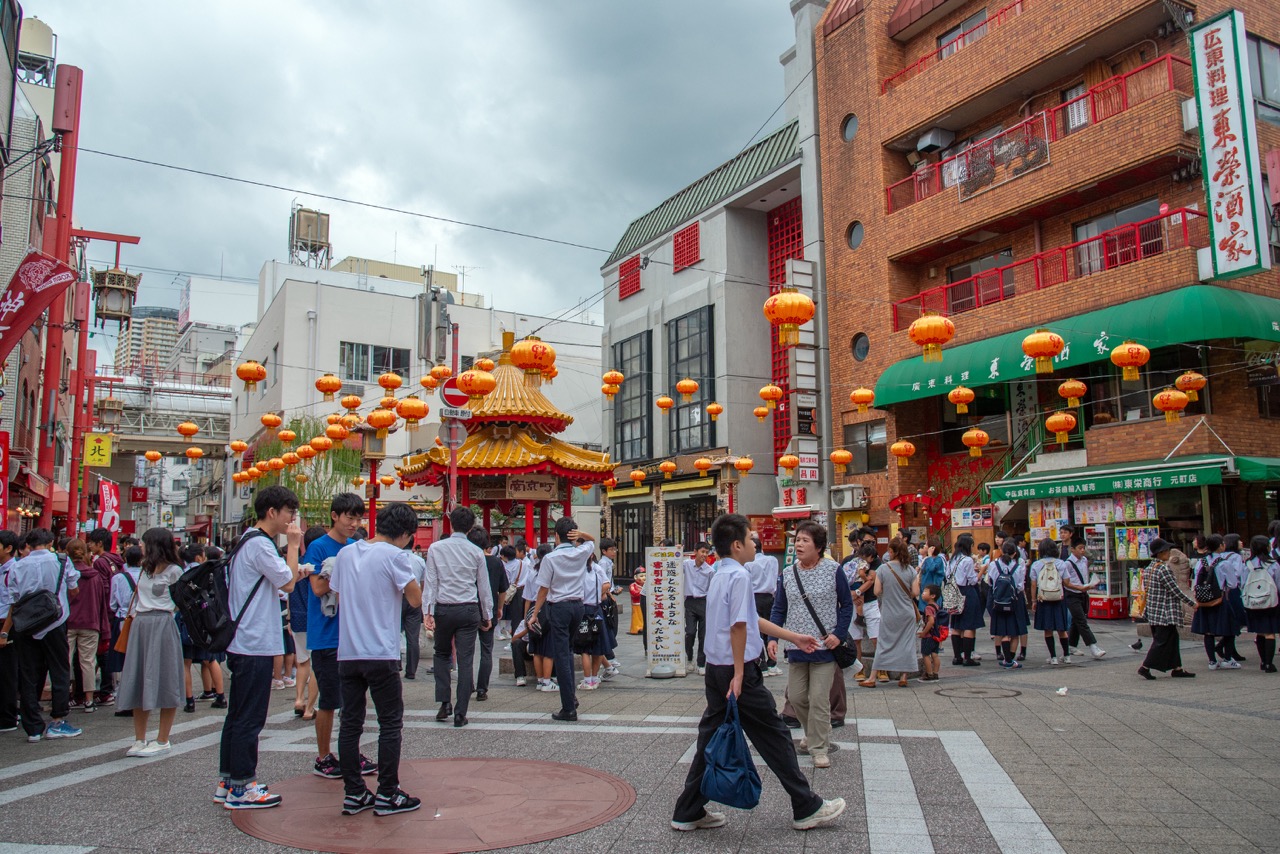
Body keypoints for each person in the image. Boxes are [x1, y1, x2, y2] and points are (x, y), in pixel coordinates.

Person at [671, 513, 844, 833]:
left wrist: (792, 637)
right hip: (738, 672)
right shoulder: (737, 577)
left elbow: (749, 618)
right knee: (775, 736)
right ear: (737, 545)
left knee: (709, 738)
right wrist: (740, 673)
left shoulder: (722, 573)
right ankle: (807, 806)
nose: (754, 543)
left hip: (717, 669)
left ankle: (687, 810)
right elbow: (738, 627)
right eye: (750, 539)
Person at [331, 502, 424, 817]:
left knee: (350, 724)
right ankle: (387, 792)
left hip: (348, 651)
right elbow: (415, 598)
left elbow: (339, 595)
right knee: (389, 724)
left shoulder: (345, 554)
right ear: (406, 534)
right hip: (380, 651)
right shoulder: (396, 556)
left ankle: (354, 793)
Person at [217, 486, 305, 810]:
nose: (291, 521)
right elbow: (287, 581)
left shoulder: (246, 540)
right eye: (288, 514)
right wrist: (293, 547)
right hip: (253, 641)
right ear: (272, 512)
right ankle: (243, 787)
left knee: (237, 714)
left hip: (243, 640)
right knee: (250, 718)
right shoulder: (261, 545)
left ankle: (228, 780)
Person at [303, 493, 375, 781]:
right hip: (326, 635)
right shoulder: (319, 547)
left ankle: (349, 750)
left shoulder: (357, 545)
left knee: (354, 701)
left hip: (353, 634)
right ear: (335, 515)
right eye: (349, 517)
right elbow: (318, 588)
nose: (354, 523)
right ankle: (323, 756)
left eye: (358, 518)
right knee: (329, 700)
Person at [770, 521, 851, 767]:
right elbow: (779, 608)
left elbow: (846, 605)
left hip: (824, 646)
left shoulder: (833, 569)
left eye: (805, 540)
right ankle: (812, 730)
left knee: (818, 698)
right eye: (798, 540)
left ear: (819, 546)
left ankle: (818, 749)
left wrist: (839, 633)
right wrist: (773, 638)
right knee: (796, 697)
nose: (799, 544)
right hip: (796, 646)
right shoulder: (788, 573)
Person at [0, 527, 82, 742]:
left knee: (28, 674)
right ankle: (57, 720)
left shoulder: (18, 566)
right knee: (59, 670)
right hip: (56, 622)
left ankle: (33, 727)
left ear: (28, 544)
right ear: (50, 543)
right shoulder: (61, 561)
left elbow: (14, 599)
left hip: (26, 626)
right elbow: (74, 588)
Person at [116, 528, 186, 757]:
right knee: (138, 679)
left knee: (166, 679)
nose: (141, 546)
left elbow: (181, 601)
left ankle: (163, 739)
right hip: (140, 623)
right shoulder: (144, 570)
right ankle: (139, 738)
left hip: (163, 623)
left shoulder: (175, 570)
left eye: (144, 542)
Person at [423, 506, 492, 728]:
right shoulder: (476, 552)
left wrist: (428, 611)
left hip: (444, 607)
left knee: (442, 654)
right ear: (471, 526)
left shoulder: (435, 548)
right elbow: (483, 586)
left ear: (451, 523)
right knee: (465, 660)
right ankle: (461, 712)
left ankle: (444, 702)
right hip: (469, 608)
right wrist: (487, 613)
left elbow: (431, 582)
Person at [528, 518, 594, 721]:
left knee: (563, 655)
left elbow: (543, 589)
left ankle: (568, 707)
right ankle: (570, 698)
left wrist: (535, 613)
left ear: (556, 536)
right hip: (578, 607)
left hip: (559, 607)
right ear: (573, 535)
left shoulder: (550, 558)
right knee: (567, 649)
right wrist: (581, 534)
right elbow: (592, 541)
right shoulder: (582, 552)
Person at [1138, 539, 1199, 679]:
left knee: (1171, 639)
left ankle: (1177, 668)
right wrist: (1192, 603)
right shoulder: (1163, 569)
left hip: (1154, 611)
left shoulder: (1149, 569)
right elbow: (1175, 590)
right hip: (1165, 612)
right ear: (1161, 553)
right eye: (1166, 551)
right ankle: (1145, 667)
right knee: (1162, 641)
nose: (1169, 553)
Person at [867, 537, 920, 688]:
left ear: (891, 551)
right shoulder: (910, 569)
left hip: (889, 611)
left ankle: (872, 677)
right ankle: (903, 676)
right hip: (907, 612)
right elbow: (915, 592)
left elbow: (876, 591)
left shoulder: (883, 569)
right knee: (907, 643)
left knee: (883, 643)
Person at [64, 538, 108, 712]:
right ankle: (89, 700)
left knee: (65, 661)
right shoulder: (95, 576)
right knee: (88, 662)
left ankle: (64, 697)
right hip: (90, 622)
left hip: (68, 622)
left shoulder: (66, 574)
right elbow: (101, 602)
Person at [86, 528, 125, 707]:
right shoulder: (116, 560)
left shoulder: (100, 562)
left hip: (106, 610)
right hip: (116, 610)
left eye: (92, 542)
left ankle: (105, 689)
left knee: (103, 650)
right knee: (108, 648)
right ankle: (108, 688)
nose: (89, 545)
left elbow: (103, 588)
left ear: (99, 544)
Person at [469, 527, 508, 702]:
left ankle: (467, 684)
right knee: (486, 650)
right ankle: (482, 689)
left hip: (468, 608)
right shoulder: (496, 562)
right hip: (489, 609)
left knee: (466, 650)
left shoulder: (467, 560)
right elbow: (502, 590)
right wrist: (499, 608)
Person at [108, 545, 144, 718]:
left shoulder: (118, 578)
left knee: (123, 663)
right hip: (143, 620)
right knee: (140, 661)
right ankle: (141, 699)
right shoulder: (147, 576)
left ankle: (125, 701)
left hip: (123, 621)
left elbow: (112, 604)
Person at [1190, 535, 1232, 670]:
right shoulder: (1224, 563)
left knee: (1208, 632)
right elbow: (1233, 583)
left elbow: (1195, 582)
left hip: (1203, 600)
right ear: (1220, 546)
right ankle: (1227, 659)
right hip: (1219, 599)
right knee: (1228, 630)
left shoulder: (1201, 562)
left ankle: (1212, 662)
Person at [1029, 538, 1071, 665]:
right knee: (1061, 629)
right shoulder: (1061, 563)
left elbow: (1033, 584)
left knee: (1048, 629)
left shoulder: (1036, 564)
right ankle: (1067, 655)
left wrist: (1033, 601)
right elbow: (1067, 582)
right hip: (1059, 598)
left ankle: (1053, 657)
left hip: (1043, 599)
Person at [1062, 537, 1105, 659]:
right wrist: (1078, 587)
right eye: (1080, 548)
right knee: (1081, 620)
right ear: (1072, 549)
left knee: (1077, 620)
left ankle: (1071, 645)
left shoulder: (1084, 560)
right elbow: (1066, 582)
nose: (1082, 550)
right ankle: (1093, 647)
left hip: (1083, 593)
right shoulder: (1068, 564)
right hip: (1072, 594)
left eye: (1083, 548)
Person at [578, 546, 613, 691]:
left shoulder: (578, 572)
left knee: (585, 648)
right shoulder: (597, 571)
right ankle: (594, 678)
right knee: (598, 646)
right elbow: (607, 584)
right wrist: (600, 594)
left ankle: (587, 680)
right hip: (597, 608)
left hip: (583, 609)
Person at [988, 541, 1028, 668]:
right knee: (1014, 633)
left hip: (998, 601)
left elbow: (990, 582)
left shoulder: (994, 565)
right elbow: (1020, 587)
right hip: (1013, 602)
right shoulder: (1017, 566)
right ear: (1015, 553)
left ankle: (1006, 660)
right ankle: (1009, 660)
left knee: (1003, 631)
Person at [1243, 535, 1280, 673]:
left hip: (1253, 602)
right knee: (1270, 632)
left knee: (1259, 632)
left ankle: (1263, 661)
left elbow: (1242, 583)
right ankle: (1270, 664)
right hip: (1270, 602)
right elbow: (1278, 583)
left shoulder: (1247, 564)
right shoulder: (1273, 564)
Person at [948, 533, 984, 666]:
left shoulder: (952, 559)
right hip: (967, 592)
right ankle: (967, 658)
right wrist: (979, 572)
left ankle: (957, 656)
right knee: (969, 625)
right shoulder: (967, 560)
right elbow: (973, 580)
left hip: (954, 591)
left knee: (956, 624)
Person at [747, 534, 781, 676]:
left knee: (755, 630)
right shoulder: (772, 560)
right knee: (771, 629)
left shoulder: (748, 564)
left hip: (753, 597)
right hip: (769, 597)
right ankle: (772, 662)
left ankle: (762, 663)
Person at [682, 542, 715, 674]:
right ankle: (689, 658)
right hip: (689, 601)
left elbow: (712, 590)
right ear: (695, 551)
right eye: (702, 551)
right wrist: (678, 550)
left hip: (704, 602)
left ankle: (701, 663)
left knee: (704, 634)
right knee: (689, 632)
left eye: (707, 552)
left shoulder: (710, 571)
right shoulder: (686, 565)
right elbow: (673, 563)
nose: (704, 555)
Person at [0, 531, 20, 731]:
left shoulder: (13, 570)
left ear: (8, 548)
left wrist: (5, 632)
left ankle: (8, 718)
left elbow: (14, 604)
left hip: (7, 625)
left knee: (7, 672)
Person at [1219, 533, 1248, 663]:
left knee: (1231, 620)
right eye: (1239, 541)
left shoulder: (1221, 555)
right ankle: (1223, 647)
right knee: (1239, 619)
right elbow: (1238, 574)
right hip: (1234, 590)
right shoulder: (1236, 557)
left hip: (1223, 592)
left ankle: (1227, 648)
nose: (1241, 542)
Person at [400, 535, 426, 681]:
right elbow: (423, 584)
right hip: (415, 599)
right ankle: (411, 671)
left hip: (398, 598)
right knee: (412, 636)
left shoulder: (395, 557)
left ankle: (396, 663)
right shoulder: (420, 560)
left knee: (393, 632)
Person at [917, 584, 942, 681]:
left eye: (925, 592)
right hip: (936, 634)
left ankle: (929, 674)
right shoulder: (937, 606)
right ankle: (936, 673)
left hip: (928, 635)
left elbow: (931, 621)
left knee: (926, 654)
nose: (922, 594)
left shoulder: (928, 608)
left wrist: (924, 633)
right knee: (935, 654)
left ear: (932, 596)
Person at [629, 570, 645, 635]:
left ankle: (643, 627)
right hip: (636, 604)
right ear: (635, 577)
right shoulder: (633, 585)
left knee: (643, 616)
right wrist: (642, 591)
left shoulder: (646, 585)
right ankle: (636, 628)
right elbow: (634, 593)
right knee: (636, 616)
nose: (644, 578)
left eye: (645, 576)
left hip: (643, 603)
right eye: (641, 576)